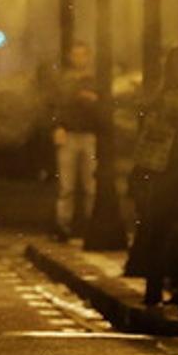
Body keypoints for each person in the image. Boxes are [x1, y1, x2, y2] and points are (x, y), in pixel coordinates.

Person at [129, 44, 178, 306]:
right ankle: (158, 287)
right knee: (163, 229)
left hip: (174, 168)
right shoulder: (171, 98)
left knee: (163, 230)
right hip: (170, 168)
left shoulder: (175, 96)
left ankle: (160, 287)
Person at [52, 41, 99, 241]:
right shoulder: (64, 81)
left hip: (88, 134)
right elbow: (55, 106)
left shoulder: (95, 80)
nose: (79, 59)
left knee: (90, 185)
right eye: (76, 54)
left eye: (83, 54)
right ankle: (64, 226)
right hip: (70, 134)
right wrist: (57, 127)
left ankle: (87, 225)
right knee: (67, 186)